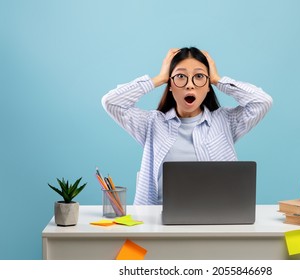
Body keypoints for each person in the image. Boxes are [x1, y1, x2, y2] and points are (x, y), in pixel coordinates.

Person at [102, 47, 273, 205]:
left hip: (214, 219)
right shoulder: (151, 124)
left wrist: (217, 79)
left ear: (207, 87)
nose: (190, 84)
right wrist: (159, 78)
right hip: (156, 224)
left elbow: (262, 101)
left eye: (199, 76)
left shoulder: (225, 121)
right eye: (181, 76)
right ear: (170, 85)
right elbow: (111, 102)